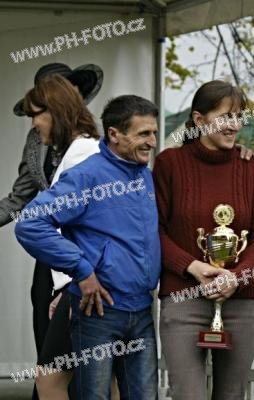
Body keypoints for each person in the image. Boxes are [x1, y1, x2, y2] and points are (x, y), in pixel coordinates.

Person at [15, 95, 161, 399]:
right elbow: (30, 223)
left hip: (142, 309)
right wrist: (81, 270)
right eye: (144, 133)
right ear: (114, 134)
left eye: (154, 133)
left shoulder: (144, 175)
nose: (152, 142)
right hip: (98, 311)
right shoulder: (86, 175)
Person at [153, 80, 254, 400]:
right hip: (184, 296)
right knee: (187, 394)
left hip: (241, 300)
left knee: (231, 395)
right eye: (225, 117)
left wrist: (236, 277)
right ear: (199, 119)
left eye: (239, 117)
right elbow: (155, 231)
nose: (234, 125)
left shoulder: (252, 168)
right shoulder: (168, 164)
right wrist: (191, 266)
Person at [1, 62, 102, 400]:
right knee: (49, 345)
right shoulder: (36, 139)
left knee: (88, 357)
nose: (34, 121)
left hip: (88, 257)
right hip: (52, 254)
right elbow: (19, 198)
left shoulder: (91, 146)